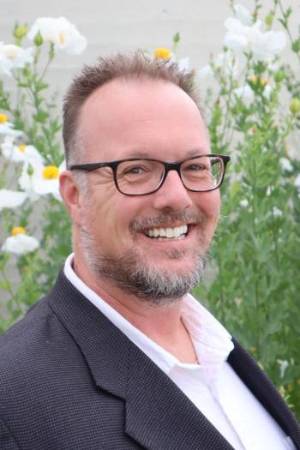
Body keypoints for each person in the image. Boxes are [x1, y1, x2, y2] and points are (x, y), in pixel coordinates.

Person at [0, 52, 299, 450]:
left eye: (195, 167)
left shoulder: (219, 351)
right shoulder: (14, 406)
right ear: (74, 196)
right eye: (136, 170)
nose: (176, 197)